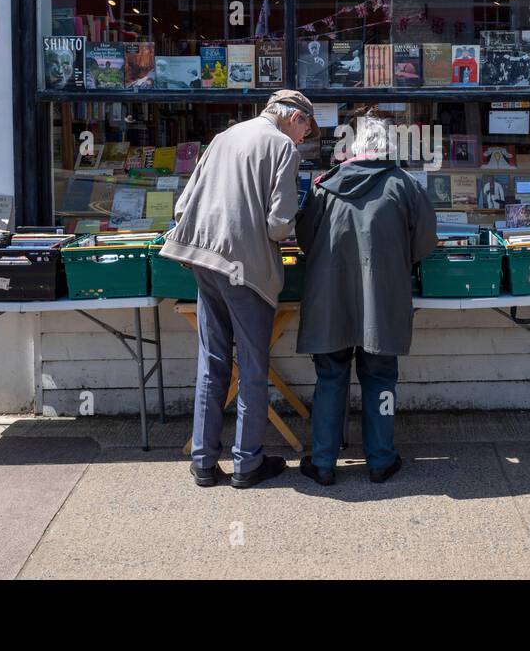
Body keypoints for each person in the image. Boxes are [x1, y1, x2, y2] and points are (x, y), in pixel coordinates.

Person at [162, 89, 317, 489]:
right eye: (306, 127)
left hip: (204, 260)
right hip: (244, 268)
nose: (305, 136)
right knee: (251, 366)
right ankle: (247, 462)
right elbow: (278, 225)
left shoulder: (224, 136)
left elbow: (183, 207)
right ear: (292, 117)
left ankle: (203, 462)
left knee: (212, 362)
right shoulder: (283, 147)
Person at [294, 115, 437, 486]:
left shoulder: (324, 186)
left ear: (354, 149)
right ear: (389, 147)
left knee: (329, 378)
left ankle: (324, 462)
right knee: (382, 380)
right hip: (383, 300)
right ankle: (381, 460)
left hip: (330, 300)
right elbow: (424, 242)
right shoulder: (404, 185)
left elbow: (306, 240)